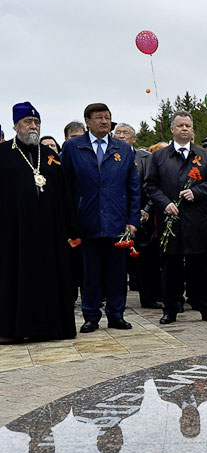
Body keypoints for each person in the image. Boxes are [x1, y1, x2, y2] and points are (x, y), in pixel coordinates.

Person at [0, 102, 79, 343]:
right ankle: (13, 330)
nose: (33, 126)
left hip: (50, 231)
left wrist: (71, 229)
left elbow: (66, 194)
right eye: (28, 122)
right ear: (16, 125)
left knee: (51, 279)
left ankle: (51, 328)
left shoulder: (52, 155)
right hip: (15, 231)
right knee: (15, 278)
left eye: (37, 122)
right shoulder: (3, 154)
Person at [60, 102, 141, 333]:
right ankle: (91, 316)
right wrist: (70, 222)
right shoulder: (73, 148)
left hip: (117, 222)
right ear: (87, 121)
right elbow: (66, 187)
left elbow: (133, 188)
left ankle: (117, 315)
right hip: (87, 221)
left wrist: (133, 220)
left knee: (117, 273)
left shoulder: (122, 149)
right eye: (99, 117)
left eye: (107, 117)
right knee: (90, 273)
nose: (104, 122)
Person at [143, 110, 207, 325]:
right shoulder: (159, 156)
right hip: (170, 221)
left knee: (201, 267)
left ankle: (206, 308)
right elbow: (150, 185)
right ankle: (171, 309)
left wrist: (197, 192)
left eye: (188, 126)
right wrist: (165, 203)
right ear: (172, 129)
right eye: (180, 126)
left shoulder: (203, 155)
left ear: (192, 129)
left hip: (197, 220)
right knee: (170, 268)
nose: (185, 129)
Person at [115, 122, 161, 308]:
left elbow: (152, 185)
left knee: (145, 260)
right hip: (117, 215)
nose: (121, 135)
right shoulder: (109, 155)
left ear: (134, 138)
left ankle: (149, 298)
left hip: (143, 216)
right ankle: (117, 302)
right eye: (118, 132)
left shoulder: (146, 157)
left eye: (125, 133)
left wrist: (147, 209)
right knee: (117, 262)